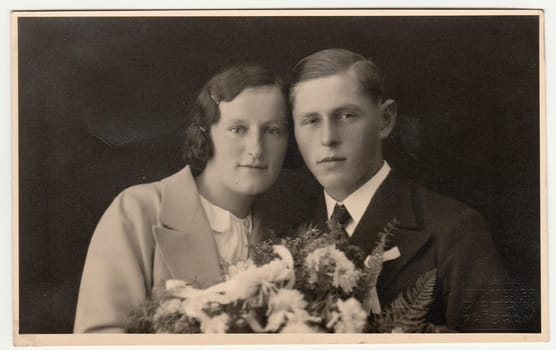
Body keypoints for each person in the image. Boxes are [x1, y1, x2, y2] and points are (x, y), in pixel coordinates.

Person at [289, 48, 507, 332]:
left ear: (385, 119)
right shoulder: (287, 233)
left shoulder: (455, 231)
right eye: (311, 120)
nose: (328, 138)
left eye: (345, 115)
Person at [74, 65, 290, 333]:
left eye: (273, 131)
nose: (256, 149)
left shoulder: (281, 242)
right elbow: (98, 337)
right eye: (238, 129)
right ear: (206, 132)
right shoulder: (139, 210)